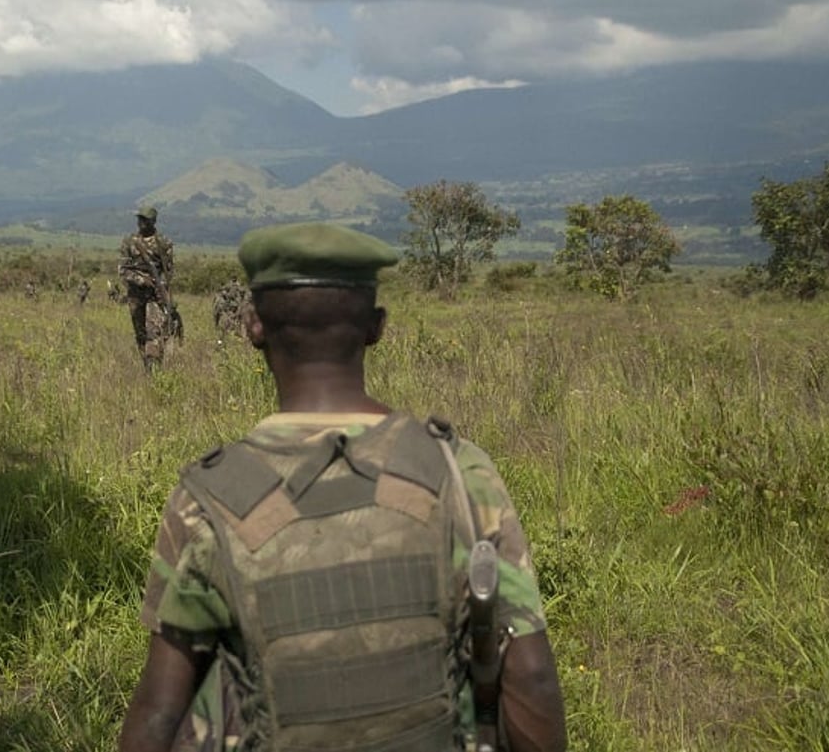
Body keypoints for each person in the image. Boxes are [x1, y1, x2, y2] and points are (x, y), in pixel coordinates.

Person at [119, 222, 567, 752]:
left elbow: (159, 710)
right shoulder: (458, 470)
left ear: (252, 327)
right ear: (376, 328)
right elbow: (531, 675)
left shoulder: (208, 499)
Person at [118, 205, 176, 372]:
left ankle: (154, 368)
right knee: (140, 334)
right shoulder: (130, 242)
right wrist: (141, 280)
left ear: (153, 221)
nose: (141, 223)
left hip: (155, 296)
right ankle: (147, 367)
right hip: (136, 296)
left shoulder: (164, 243)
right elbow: (123, 270)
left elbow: (169, 271)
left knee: (154, 332)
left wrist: (161, 287)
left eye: (145, 220)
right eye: (140, 219)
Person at [212, 276, 251, 341]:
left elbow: (228, 295)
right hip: (235, 305)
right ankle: (235, 330)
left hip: (234, 306)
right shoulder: (239, 287)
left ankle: (232, 331)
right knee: (236, 320)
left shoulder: (231, 286)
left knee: (233, 319)